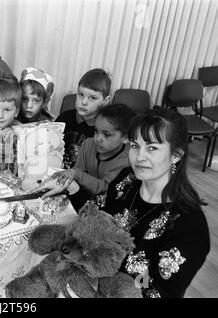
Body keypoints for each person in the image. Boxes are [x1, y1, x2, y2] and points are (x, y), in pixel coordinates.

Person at [38, 108, 211, 297]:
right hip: (86, 279)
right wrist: (72, 187)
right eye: (135, 146)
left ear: (176, 155)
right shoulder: (127, 181)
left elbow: (157, 292)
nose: (139, 157)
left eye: (152, 148)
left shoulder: (189, 227)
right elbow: (98, 217)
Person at [48, 104, 136, 210]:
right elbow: (78, 171)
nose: (98, 138)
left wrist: (75, 174)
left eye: (106, 134)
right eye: (96, 131)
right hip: (79, 200)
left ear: (125, 138)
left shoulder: (126, 162)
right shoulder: (87, 144)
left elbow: (105, 188)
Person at [56, 68, 112, 168]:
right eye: (81, 94)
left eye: (92, 97)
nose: (84, 102)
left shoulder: (105, 130)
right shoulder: (64, 117)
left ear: (106, 101)